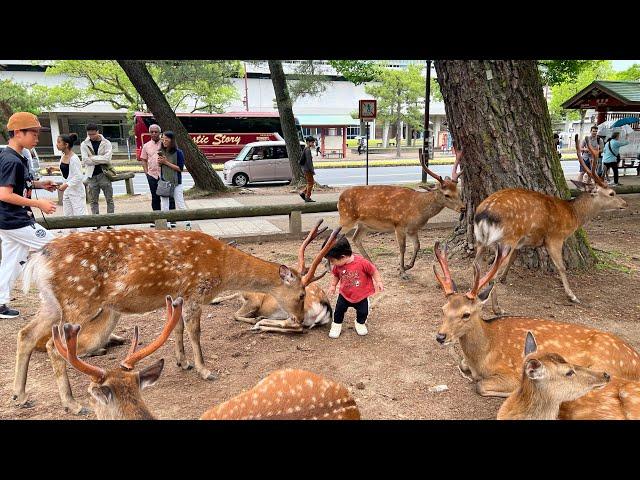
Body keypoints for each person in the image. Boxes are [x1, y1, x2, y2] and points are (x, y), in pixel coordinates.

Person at [0, 112, 58, 319]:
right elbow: (4, 194)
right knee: (56, 248)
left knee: (12, 261)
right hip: (15, 220)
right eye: (32, 133)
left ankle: (0, 302)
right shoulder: (11, 160)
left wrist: (40, 185)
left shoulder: (17, 157)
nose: (37, 137)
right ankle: (55, 295)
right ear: (18, 133)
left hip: (9, 220)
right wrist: (38, 202)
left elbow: (17, 184)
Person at [324, 236, 384, 339]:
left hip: (361, 295)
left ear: (343, 257)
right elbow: (335, 275)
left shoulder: (362, 262)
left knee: (363, 312)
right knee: (338, 311)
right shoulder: (338, 266)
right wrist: (333, 285)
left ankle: (360, 323)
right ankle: (336, 325)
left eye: (332, 260)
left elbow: (373, 270)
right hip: (344, 294)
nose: (332, 263)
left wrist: (378, 281)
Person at [80, 123, 114, 228]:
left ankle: (111, 221)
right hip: (91, 175)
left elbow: (107, 159)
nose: (91, 136)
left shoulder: (106, 142)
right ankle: (96, 222)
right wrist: (100, 158)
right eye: (89, 134)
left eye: (93, 134)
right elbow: (85, 160)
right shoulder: (84, 144)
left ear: (97, 132)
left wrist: (93, 158)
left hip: (104, 174)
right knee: (93, 200)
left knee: (109, 198)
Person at [139, 124, 175, 219]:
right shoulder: (146, 146)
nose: (154, 134)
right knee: (155, 197)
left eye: (156, 132)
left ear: (160, 133)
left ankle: (172, 219)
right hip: (152, 175)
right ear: (149, 133)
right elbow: (143, 159)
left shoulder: (165, 144)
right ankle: (157, 219)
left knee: (169, 197)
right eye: (152, 132)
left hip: (165, 174)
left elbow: (172, 157)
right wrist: (147, 173)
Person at [157, 131, 189, 229]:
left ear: (172, 140)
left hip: (176, 182)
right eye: (163, 139)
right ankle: (167, 226)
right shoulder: (161, 151)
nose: (164, 141)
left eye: (167, 139)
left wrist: (165, 162)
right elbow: (160, 165)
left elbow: (180, 168)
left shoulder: (178, 152)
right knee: (164, 205)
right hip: (164, 181)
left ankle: (188, 224)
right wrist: (159, 162)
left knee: (180, 203)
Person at [56, 133, 87, 230]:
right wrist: (54, 169)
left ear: (66, 145)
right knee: (68, 216)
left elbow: (78, 176)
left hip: (76, 192)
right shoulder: (63, 156)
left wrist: (66, 185)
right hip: (67, 192)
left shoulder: (74, 158)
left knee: (80, 216)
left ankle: (83, 238)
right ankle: (71, 238)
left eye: (59, 142)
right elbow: (65, 170)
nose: (57, 144)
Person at [298, 136, 316, 203]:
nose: (313, 143)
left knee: (311, 182)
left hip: (305, 169)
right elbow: (309, 162)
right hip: (307, 169)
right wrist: (312, 170)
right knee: (310, 183)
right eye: (312, 142)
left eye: (313, 142)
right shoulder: (308, 150)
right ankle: (307, 197)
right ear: (308, 142)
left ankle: (303, 193)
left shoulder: (306, 149)